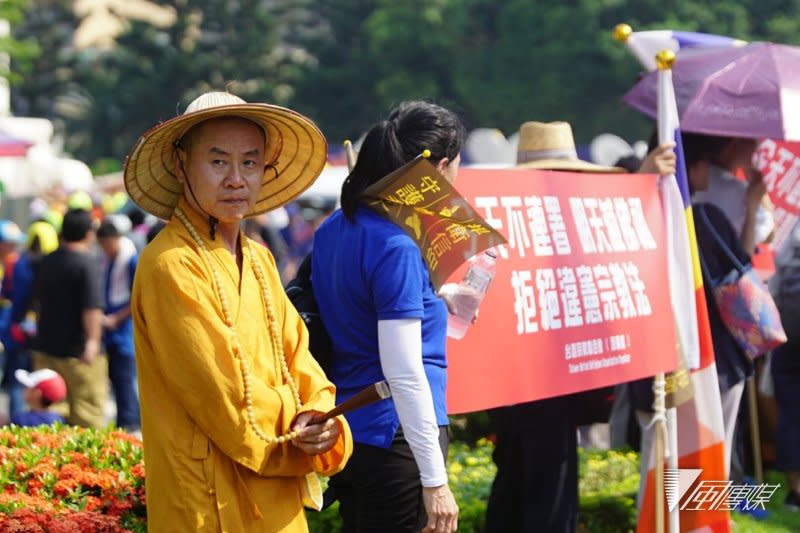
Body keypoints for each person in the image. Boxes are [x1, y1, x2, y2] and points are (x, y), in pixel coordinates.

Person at [124, 91, 352, 532]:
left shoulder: (261, 259)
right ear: (179, 164)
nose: (235, 179)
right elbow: (228, 402)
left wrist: (320, 420)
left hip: (279, 501)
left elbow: (301, 364)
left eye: (249, 162)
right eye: (217, 162)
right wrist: (299, 425)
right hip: (208, 504)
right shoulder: (171, 263)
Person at [486, 121, 676, 533]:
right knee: (536, 492)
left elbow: (613, 240)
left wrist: (643, 181)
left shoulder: (544, 221)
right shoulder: (513, 223)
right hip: (526, 385)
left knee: (525, 486)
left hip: (537, 385)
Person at [312, 101, 462, 533]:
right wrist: (435, 481)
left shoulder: (334, 228)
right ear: (442, 168)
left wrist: (440, 296)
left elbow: (351, 306)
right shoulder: (397, 244)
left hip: (351, 431)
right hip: (397, 437)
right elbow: (404, 371)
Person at [32, 208, 107, 429]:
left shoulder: (46, 261)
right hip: (79, 355)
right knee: (87, 416)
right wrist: (93, 342)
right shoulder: (88, 263)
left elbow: (37, 301)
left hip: (47, 349)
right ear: (88, 233)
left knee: (51, 417)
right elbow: (92, 307)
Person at [1, 221, 59, 419]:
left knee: (18, 381)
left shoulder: (17, 264)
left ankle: (16, 428)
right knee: (42, 385)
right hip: (45, 336)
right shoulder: (54, 267)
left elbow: (9, 294)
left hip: (18, 330)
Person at [691, 136, 773, 255]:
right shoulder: (740, 192)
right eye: (753, 139)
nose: (757, 145)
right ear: (733, 144)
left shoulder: (691, 174)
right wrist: (759, 191)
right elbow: (769, 236)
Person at [96, 220, 141, 431]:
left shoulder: (131, 259)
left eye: (108, 245)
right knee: (115, 376)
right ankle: (124, 421)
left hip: (124, 329)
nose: (106, 250)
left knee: (126, 378)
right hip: (110, 329)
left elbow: (138, 297)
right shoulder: (105, 260)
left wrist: (117, 318)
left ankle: (131, 422)